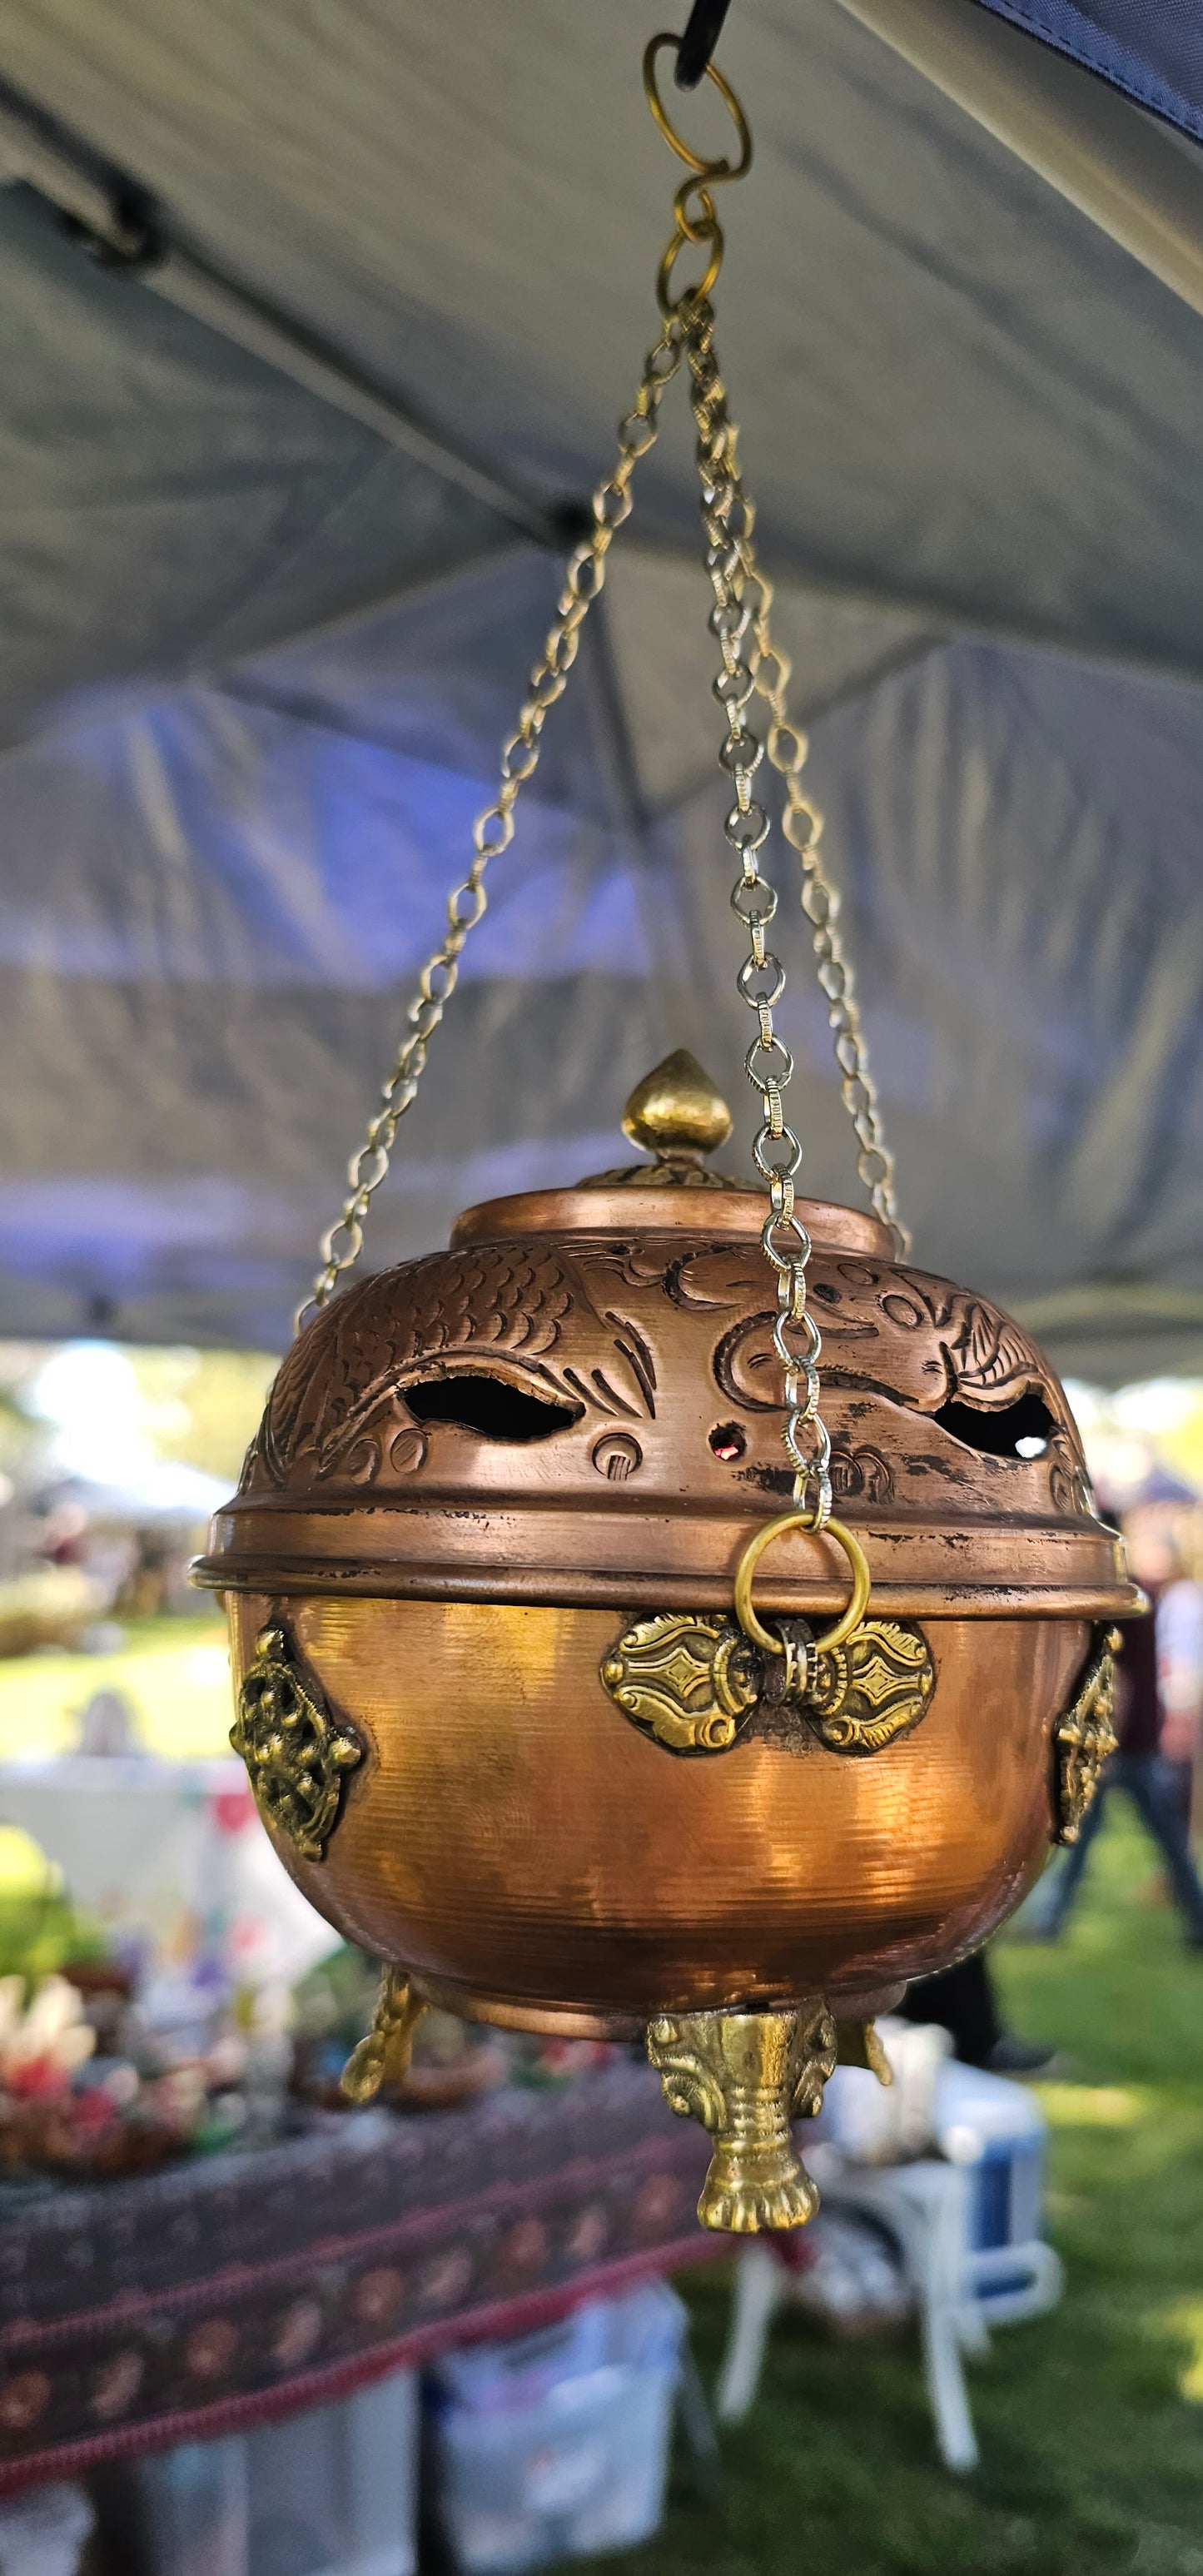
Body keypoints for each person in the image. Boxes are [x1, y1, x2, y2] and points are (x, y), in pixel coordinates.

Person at [1031, 1519, 1203, 1947]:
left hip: (1126, 1743)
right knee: (1102, 1835)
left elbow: (1117, 1679)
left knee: (1106, 1833)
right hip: (1135, 1740)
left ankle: (1052, 1918)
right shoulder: (1142, 1595)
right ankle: (1051, 1918)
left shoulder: (1127, 1598)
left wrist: (1106, 1744)